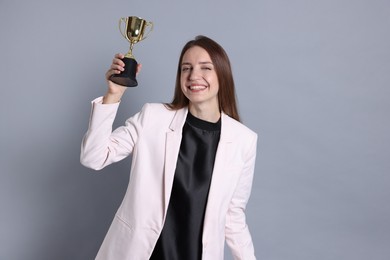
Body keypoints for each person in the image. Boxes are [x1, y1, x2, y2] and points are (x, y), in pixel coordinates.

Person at [80, 35, 258, 260]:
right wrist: (113, 96)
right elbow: (93, 157)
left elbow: (234, 217)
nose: (194, 76)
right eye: (186, 68)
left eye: (205, 68)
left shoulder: (244, 140)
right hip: (139, 253)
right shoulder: (153, 117)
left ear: (222, 74)